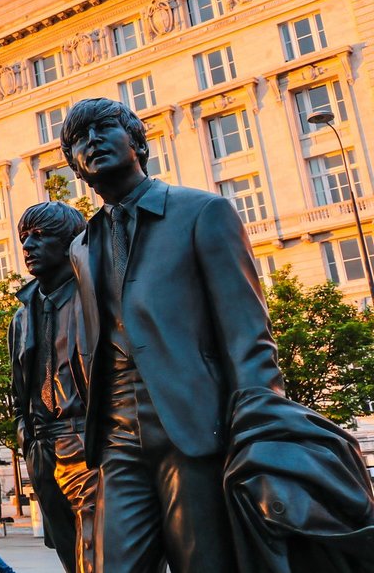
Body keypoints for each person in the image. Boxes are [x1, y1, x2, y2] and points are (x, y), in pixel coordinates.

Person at [59, 97, 284, 573]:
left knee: (202, 562)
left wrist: (259, 426)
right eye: (79, 139)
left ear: (138, 141)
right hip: (117, 436)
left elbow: (248, 335)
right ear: (76, 167)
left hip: (195, 428)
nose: (92, 142)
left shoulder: (203, 212)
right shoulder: (81, 246)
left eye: (103, 129)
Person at [10, 202, 97, 573]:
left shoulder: (95, 296)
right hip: (42, 446)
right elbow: (19, 389)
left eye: (40, 237)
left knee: (101, 555)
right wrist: (24, 432)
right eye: (24, 237)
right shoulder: (21, 314)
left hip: (89, 441)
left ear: (70, 243)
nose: (28, 246)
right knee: (70, 556)